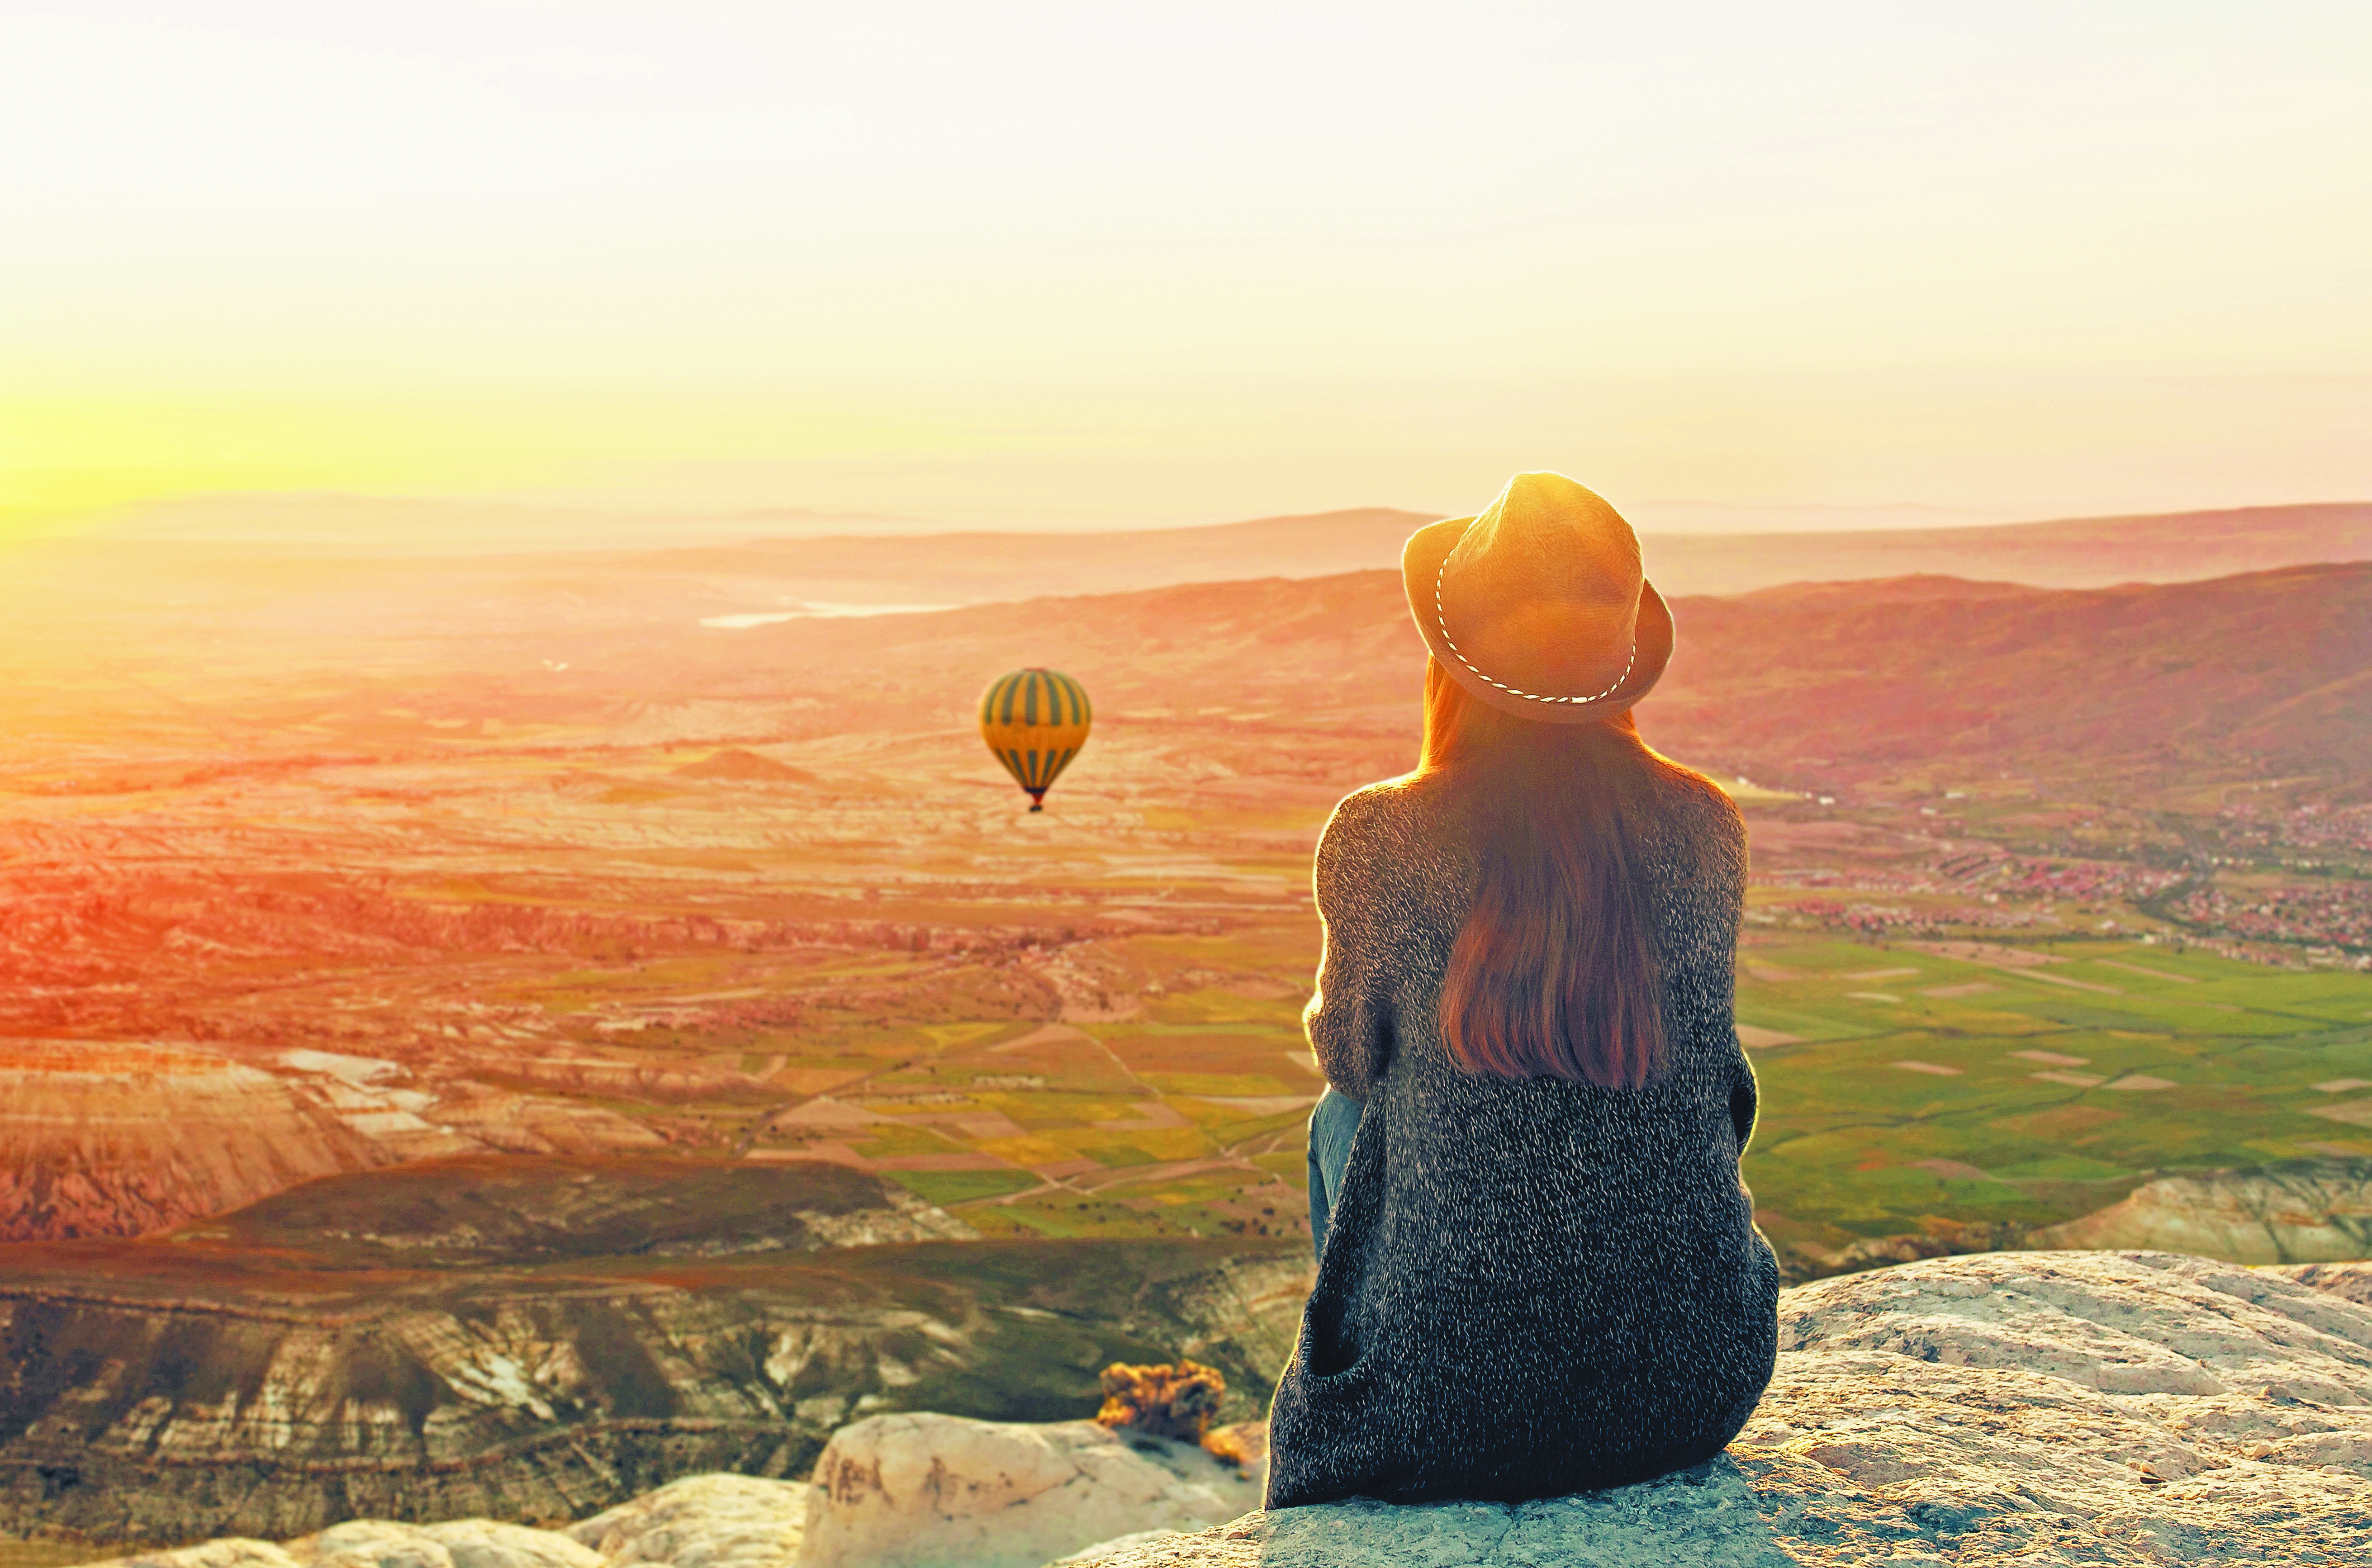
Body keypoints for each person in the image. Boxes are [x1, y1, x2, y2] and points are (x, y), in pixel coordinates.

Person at [1267, 471, 1779, 1509]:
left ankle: (1394, 1348)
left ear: (1451, 661)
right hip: (1693, 1385)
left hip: (1445, 1414)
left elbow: (1352, 1058)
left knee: (1345, 1115)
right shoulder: (1704, 824)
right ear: (1623, 666)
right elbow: (1721, 1086)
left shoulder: (1380, 835)